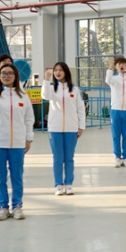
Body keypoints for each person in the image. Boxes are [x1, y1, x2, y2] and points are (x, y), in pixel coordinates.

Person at [0, 63, 34, 220]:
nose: (7, 76)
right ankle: (2, 207)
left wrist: (28, 138)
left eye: (10, 73)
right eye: (3, 73)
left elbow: (29, 119)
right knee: (0, 177)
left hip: (17, 143)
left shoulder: (23, 97)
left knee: (17, 177)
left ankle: (17, 206)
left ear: (16, 76)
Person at [42, 62, 85, 196]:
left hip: (71, 128)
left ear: (66, 72)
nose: (57, 72)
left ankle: (69, 184)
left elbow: (80, 108)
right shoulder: (51, 88)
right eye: (56, 70)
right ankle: (58, 185)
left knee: (69, 158)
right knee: (58, 158)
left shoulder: (74, 89)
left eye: (60, 70)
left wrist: (81, 126)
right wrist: (46, 80)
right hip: (55, 128)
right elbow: (45, 96)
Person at [105, 57, 126, 168]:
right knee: (116, 135)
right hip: (116, 110)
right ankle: (117, 157)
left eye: (123, 64)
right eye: (119, 64)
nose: (121, 66)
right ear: (116, 67)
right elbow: (107, 80)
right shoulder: (113, 78)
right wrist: (110, 67)